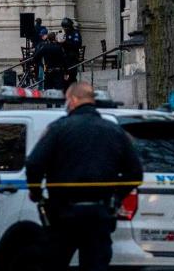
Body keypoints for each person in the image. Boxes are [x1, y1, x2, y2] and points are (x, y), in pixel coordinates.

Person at [25, 82, 144, 271]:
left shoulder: (59, 128)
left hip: (63, 213)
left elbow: (34, 163)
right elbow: (135, 172)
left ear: (73, 100)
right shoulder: (114, 131)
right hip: (100, 213)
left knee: (54, 262)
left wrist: (36, 193)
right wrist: (117, 196)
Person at [60, 18, 82, 89]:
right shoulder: (66, 34)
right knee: (65, 77)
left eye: (65, 28)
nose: (64, 29)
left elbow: (76, 45)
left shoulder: (75, 33)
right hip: (65, 58)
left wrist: (65, 43)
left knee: (72, 76)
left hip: (72, 58)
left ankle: (74, 90)